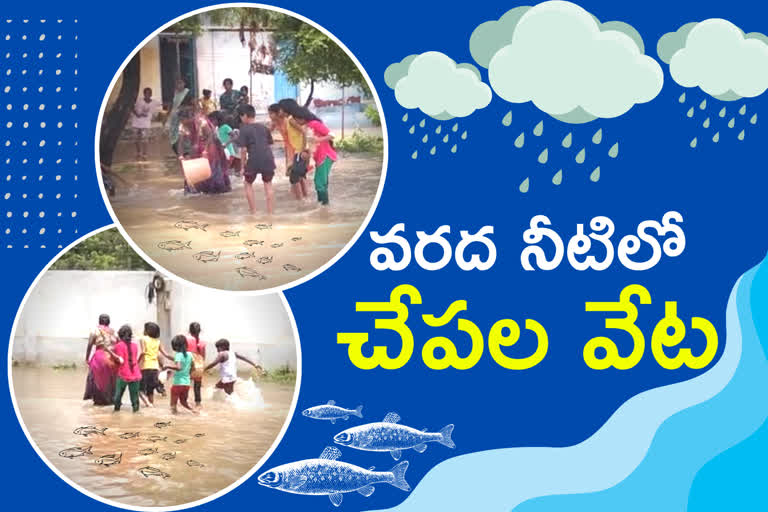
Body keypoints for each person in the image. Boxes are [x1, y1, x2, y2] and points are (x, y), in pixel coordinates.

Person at [177, 106, 232, 194]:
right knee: (194, 169)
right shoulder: (182, 126)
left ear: (190, 118)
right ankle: (196, 190)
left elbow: (210, 136)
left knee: (212, 169)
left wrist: (205, 150)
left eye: (184, 120)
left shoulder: (201, 122)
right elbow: (180, 142)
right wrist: (180, 155)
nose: (183, 122)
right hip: (195, 147)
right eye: (181, 120)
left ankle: (215, 191)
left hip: (210, 145)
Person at [238, 104, 276, 215]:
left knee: (247, 183)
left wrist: (242, 166)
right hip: (268, 158)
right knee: (268, 184)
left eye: (241, 116)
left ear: (245, 116)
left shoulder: (244, 129)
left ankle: (253, 212)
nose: (241, 118)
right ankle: (270, 213)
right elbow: (269, 145)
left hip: (254, 159)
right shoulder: (264, 128)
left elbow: (244, 150)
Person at [294, 107, 337, 206]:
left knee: (319, 183)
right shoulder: (307, 126)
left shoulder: (314, 124)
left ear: (302, 118)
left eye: (296, 119)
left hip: (325, 156)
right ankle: (322, 206)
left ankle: (325, 207)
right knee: (321, 183)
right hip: (319, 157)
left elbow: (332, 135)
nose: (295, 121)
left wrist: (317, 140)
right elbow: (309, 144)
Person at [84, 314, 118, 406]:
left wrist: (87, 358)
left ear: (99, 321)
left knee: (96, 379)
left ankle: (99, 402)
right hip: (112, 358)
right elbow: (119, 344)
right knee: (111, 380)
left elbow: (90, 345)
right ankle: (110, 400)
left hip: (99, 357)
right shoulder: (114, 332)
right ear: (108, 322)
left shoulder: (95, 330)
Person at [138, 322, 172, 406]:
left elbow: (143, 352)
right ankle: (151, 405)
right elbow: (166, 354)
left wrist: (136, 363)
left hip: (145, 366)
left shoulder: (143, 339)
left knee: (139, 390)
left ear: (147, 331)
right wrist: (176, 359)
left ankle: (148, 404)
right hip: (155, 368)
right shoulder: (158, 341)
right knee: (150, 390)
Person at [163, 335, 198, 415]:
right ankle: (195, 411)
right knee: (183, 402)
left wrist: (167, 366)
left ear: (175, 346)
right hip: (186, 383)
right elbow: (193, 367)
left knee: (173, 405)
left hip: (177, 384)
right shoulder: (189, 355)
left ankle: (174, 420)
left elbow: (178, 367)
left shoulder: (178, 355)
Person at [113, 325, 143, 413]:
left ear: (120, 335)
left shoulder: (118, 346)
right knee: (135, 399)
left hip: (123, 374)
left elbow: (119, 361)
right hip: (135, 374)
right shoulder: (135, 346)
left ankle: (116, 414)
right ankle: (136, 415)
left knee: (117, 398)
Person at [132, 87, 159, 161]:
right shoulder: (139, 101)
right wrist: (137, 114)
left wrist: (167, 114)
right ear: (144, 94)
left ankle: (144, 154)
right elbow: (131, 106)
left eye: (149, 93)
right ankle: (138, 152)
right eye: (146, 93)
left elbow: (165, 104)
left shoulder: (154, 102)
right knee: (136, 139)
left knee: (145, 139)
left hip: (146, 123)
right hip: (136, 122)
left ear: (151, 94)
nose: (148, 95)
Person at [185, 322, 206, 408]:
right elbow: (203, 356)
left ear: (189, 330)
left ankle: (185, 402)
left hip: (188, 365)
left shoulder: (186, 340)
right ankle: (198, 403)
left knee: (185, 384)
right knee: (197, 387)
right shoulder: (203, 342)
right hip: (198, 366)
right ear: (200, 331)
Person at [168, 78, 190, 156]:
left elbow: (191, 105)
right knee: (173, 136)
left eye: (181, 83)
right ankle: (179, 153)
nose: (179, 85)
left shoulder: (187, 92)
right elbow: (171, 105)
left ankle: (185, 153)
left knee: (183, 134)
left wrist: (183, 110)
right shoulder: (175, 93)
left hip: (184, 117)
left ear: (184, 83)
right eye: (177, 83)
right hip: (174, 118)